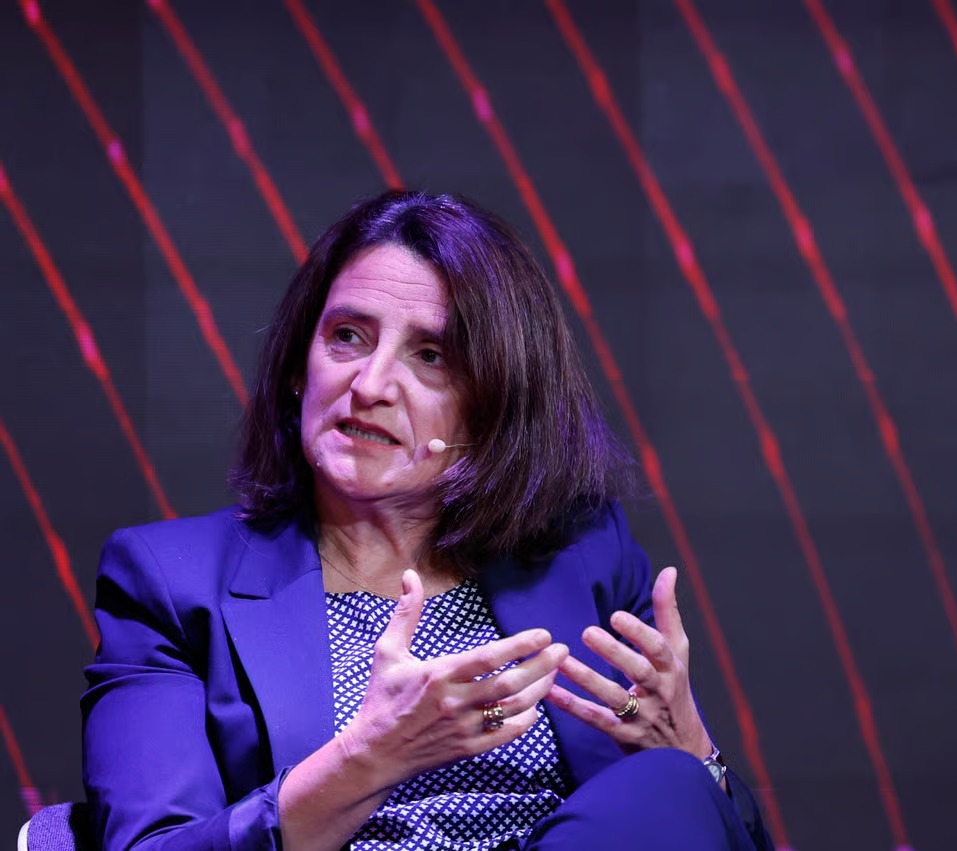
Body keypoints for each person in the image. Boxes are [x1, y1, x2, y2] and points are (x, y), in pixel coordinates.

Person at [82, 190, 773, 850]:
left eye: (431, 356)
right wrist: (369, 758)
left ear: (494, 402)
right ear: (298, 367)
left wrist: (695, 752)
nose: (371, 385)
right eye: (347, 337)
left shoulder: (586, 555)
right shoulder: (171, 582)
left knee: (666, 783)